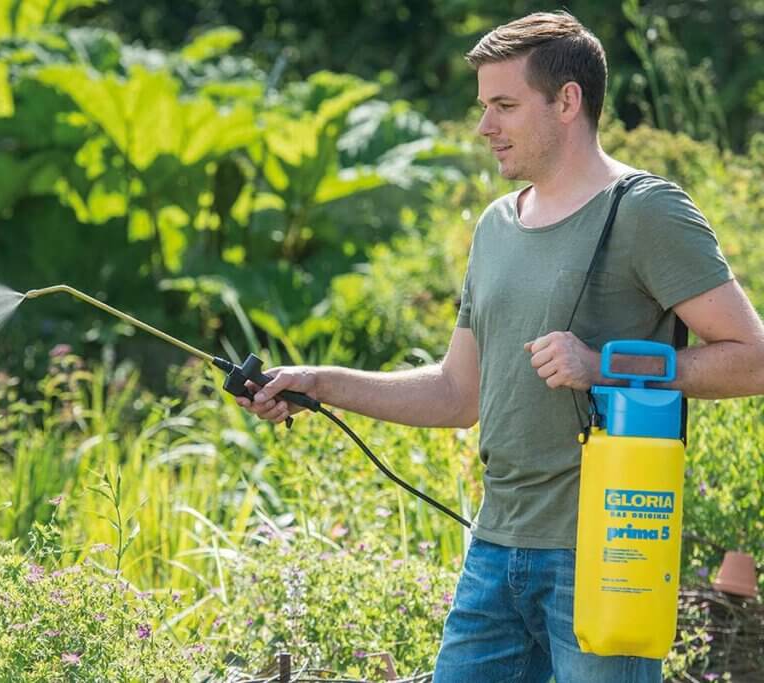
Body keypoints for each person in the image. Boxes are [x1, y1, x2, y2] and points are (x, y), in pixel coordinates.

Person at [234, 11, 764, 683]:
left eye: (504, 105)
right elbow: (458, 394)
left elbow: (753, 355)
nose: (484, 126)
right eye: (484, 106)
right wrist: (320, 381)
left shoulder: (644, 211)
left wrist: (600, 367)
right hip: (494, 551)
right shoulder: (495, 227)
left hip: (603, 552)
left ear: (567, 101)